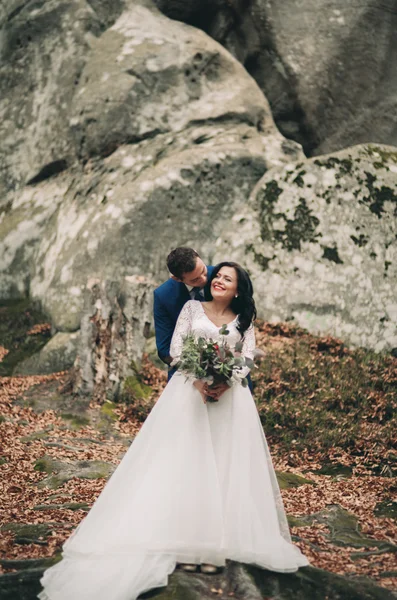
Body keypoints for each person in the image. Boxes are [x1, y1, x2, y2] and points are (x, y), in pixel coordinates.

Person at [38, 262, 309, 600]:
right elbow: (177, 349)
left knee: (225, 463)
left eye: (227, 278)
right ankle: (186, 543)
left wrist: (227, 382)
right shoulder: (192, 308)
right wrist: (199, 379)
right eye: (218, 276)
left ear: (238, 289)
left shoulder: (244, 319)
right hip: (188, 394)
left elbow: (248, 356)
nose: (219, 281)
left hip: (230, 401)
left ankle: (214, 546)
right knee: (189, 463)